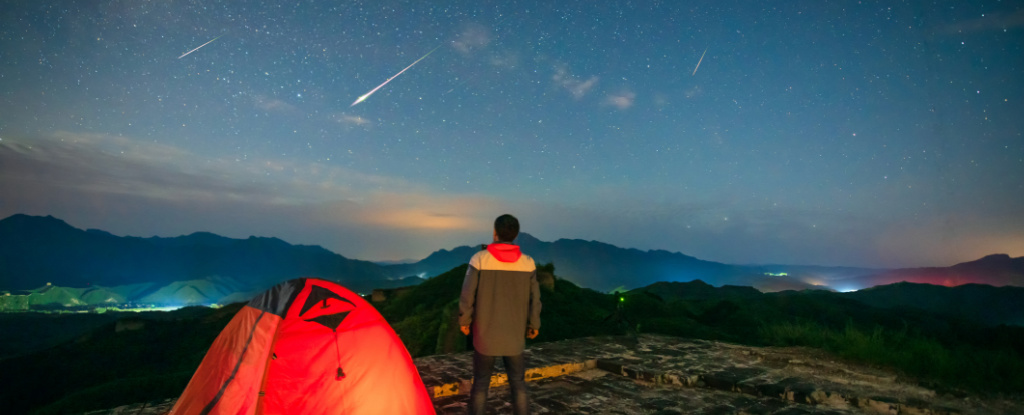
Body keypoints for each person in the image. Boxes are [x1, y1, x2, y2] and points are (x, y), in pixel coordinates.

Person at [459, 214, 542, 415]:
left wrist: (464, 319)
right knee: (518, 383)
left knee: (480, 384)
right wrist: (534, 324)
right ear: (515, 235)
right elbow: (535, 299)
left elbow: (467, 294)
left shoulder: (479, 259)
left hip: (485, 335)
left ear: (495, 233)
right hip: (514, 336)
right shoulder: (528, 263)